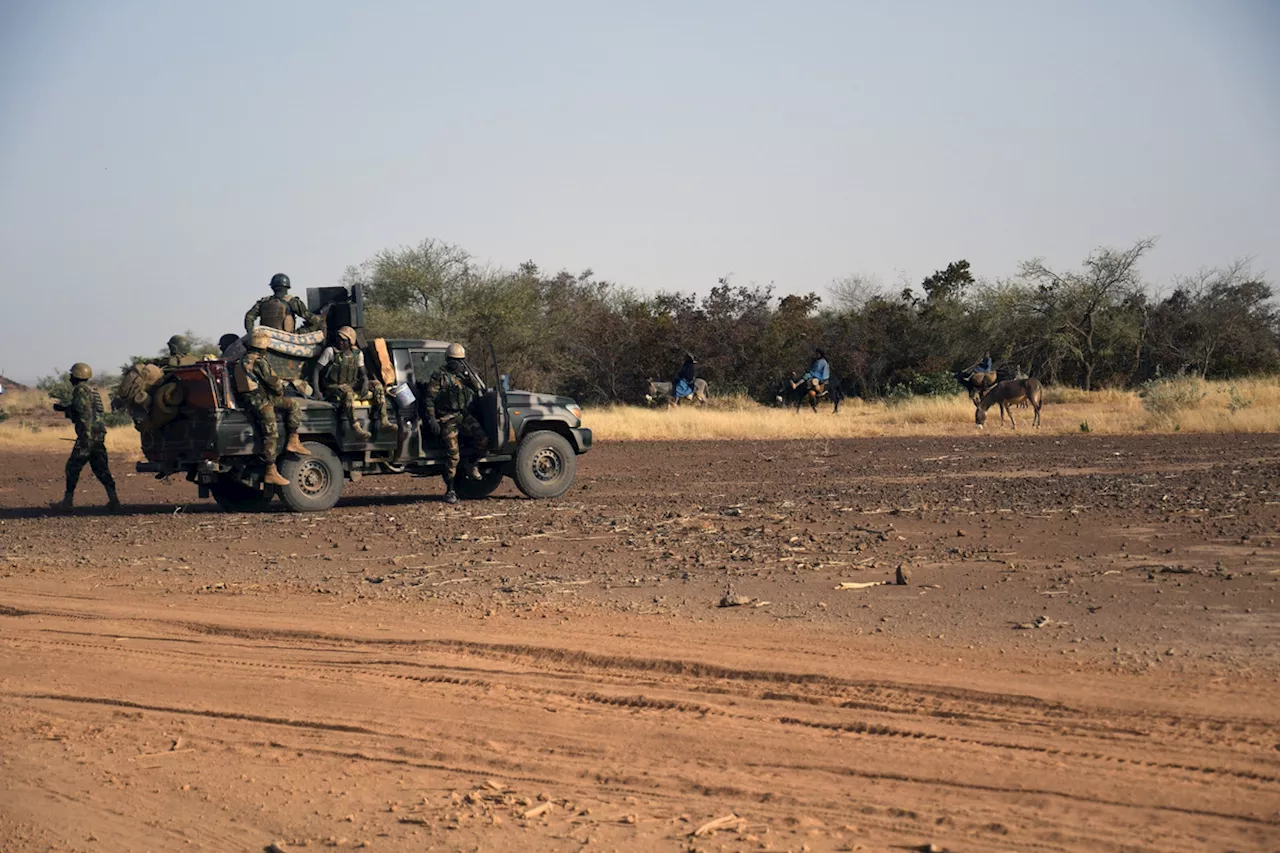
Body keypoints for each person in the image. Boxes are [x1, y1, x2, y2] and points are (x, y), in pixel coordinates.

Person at [234, 327, 310, 487]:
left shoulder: (241, 361)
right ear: (263, 348)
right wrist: (281, 389)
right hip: (261, 401)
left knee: (292, 405)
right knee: (272, 433)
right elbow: (273, 383)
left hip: (248, 400)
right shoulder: (260, 362)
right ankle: (271, 469)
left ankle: (293, 441)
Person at [420, 343, 489, 505]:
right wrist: (432, 420)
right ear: (448, 360)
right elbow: (429, 399)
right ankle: (450, 489)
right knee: (453, 455)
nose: (456, 364)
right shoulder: (440, 376)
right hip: (446, 418)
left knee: (483, 440)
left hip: (462, 415)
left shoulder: (463, 376)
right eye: (454, 360)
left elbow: (479, 389)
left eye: (460, 361)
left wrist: (470, 375)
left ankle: (472, 464)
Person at [50, 362, 119, 512]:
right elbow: (89, 411)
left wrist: (84, 436)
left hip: (87, 436)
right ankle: (114, 500)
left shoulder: (80, 390)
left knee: (72, 467)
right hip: (98, 435)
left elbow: (84, 413)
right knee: (101, 468)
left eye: (71, 375)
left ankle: (67, 502)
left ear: (76, 376)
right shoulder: (92, 391)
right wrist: (65, 408)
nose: (69, 377)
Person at [313, 326, 390, 441]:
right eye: (339, 339)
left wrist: (365, 382)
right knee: (347, 392)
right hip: (333, 386)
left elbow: (363, 373)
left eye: (344, 340)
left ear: (350, 341)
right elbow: (317, 370)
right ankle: (355, 427)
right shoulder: (331, 352)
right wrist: (317, 391)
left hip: (351, 383)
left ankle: (384, 420)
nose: (340, 342)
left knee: (377, 385)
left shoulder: (357, 354)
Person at [243, 273, 319, 335]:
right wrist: (299, 332)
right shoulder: (293, 301)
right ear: (287, 286)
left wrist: (252, 333)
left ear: (272, 287)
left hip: (266, 336)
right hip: (287, 337)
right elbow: (312, 320)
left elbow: (249, 317)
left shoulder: (263, 302)